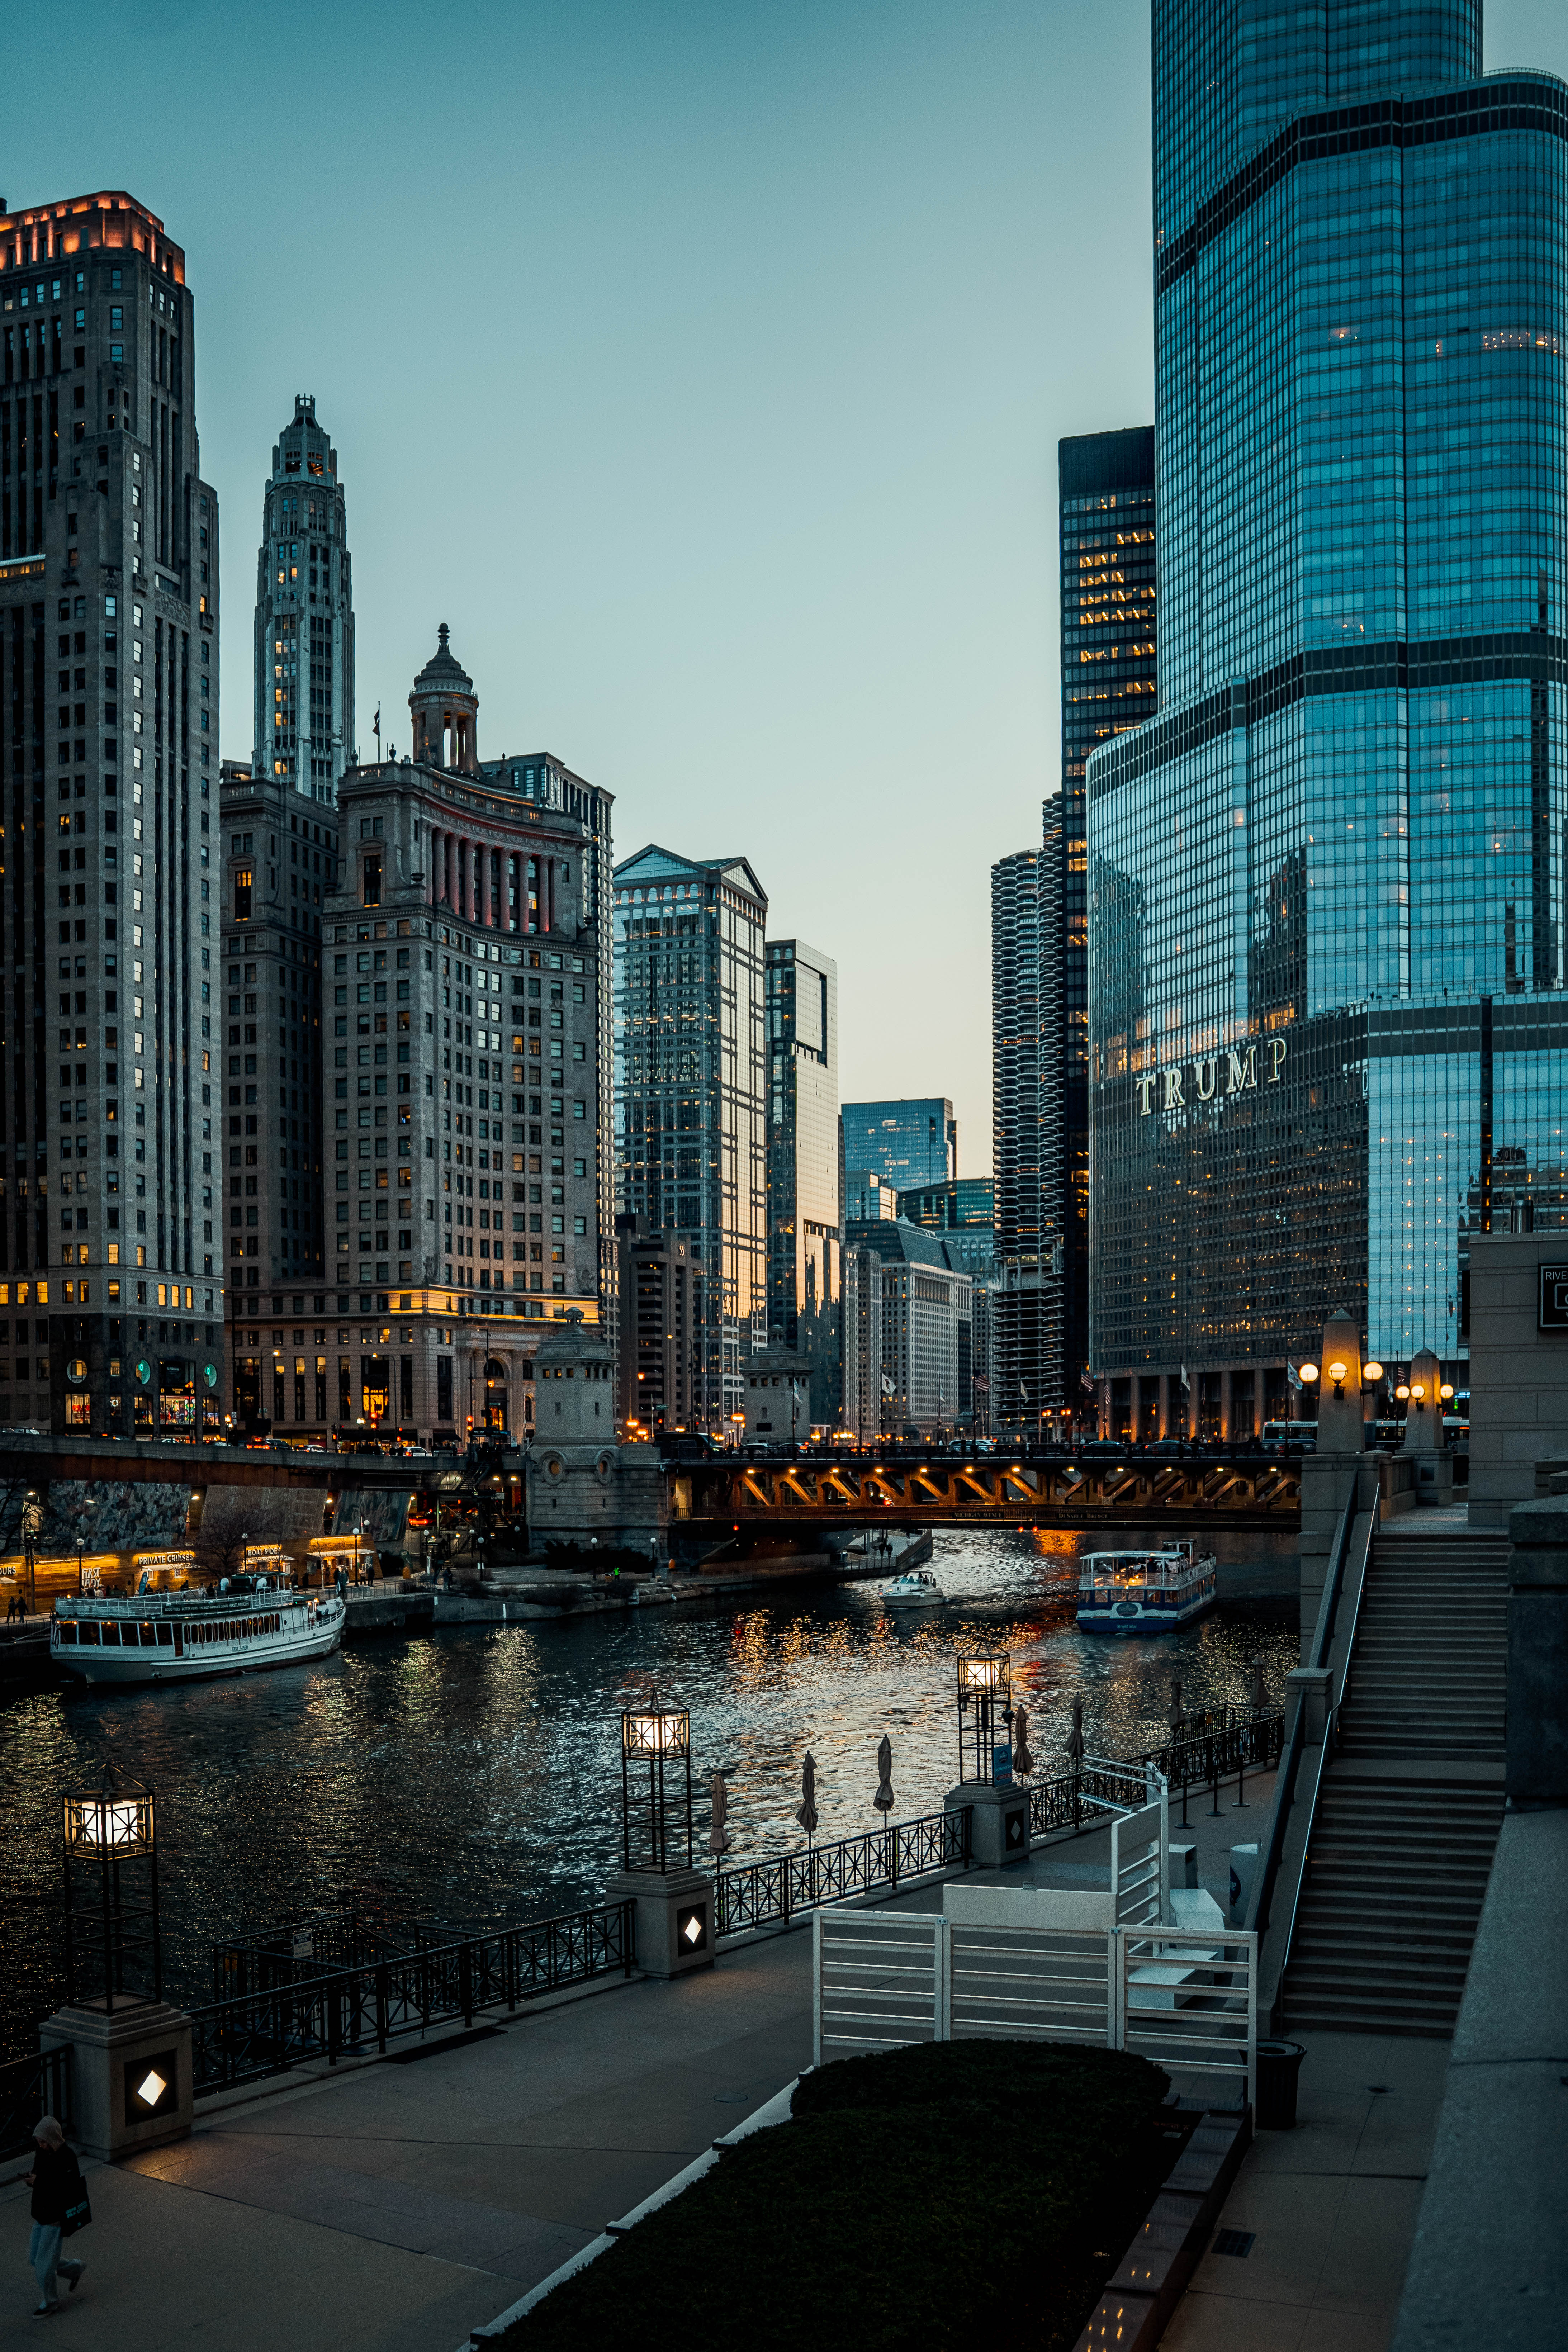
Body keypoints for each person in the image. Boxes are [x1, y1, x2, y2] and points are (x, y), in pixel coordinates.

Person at [24, 2116, 85, 2317]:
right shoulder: (42, 2153)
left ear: (52, 2139)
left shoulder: (67, 2158)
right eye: (39, 2142)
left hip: (55, 2219)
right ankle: (74, 2269)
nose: (41, 2146)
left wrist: (39, 2182)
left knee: (44, 2266)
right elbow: (41, 2175)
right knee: (36, 2259)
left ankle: (51, 2302)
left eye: (43, 2141)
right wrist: (32, 2178)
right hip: (41, 2214)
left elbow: (66, 2188)